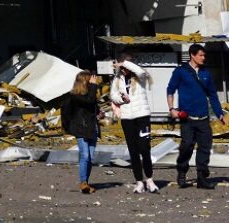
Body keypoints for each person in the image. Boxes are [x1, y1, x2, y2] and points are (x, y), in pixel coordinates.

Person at [167, 44, 229, 189]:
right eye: (201, 55)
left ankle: (201, 177)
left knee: (205, 148)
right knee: (187, 146)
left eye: (204, 55)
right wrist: (171, 109)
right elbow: (170, 90)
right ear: (192, 55)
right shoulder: (180, 72)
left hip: (203, 118)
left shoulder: (206, 73)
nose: (203, 58)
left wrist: (219, 113)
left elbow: (213, 95)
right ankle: (182, 171)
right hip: (187, 118)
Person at [110, 54, 158, 194]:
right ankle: (139, 182)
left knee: (144, 148)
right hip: (127, 117)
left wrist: (124, 63)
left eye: (125, 67)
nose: (123, 70)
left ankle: (149, 179)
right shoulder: (117, 79)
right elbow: (112, 95)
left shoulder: (140, 77)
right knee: (133, 150)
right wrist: (121, 98)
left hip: (142, 116)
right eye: (121, 68)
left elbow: (139, 71)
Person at [64, 71, 100, 194]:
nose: (92, 82)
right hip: (81, 129)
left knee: (90, 157)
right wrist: (69, 128)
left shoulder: (90, 94)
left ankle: (86, 182)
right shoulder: (75, 96)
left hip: (92, 127)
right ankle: (83, 182)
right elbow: (88, 101)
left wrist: (99, 113)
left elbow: (93, 105)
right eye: (90, 80)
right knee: (85, 155)